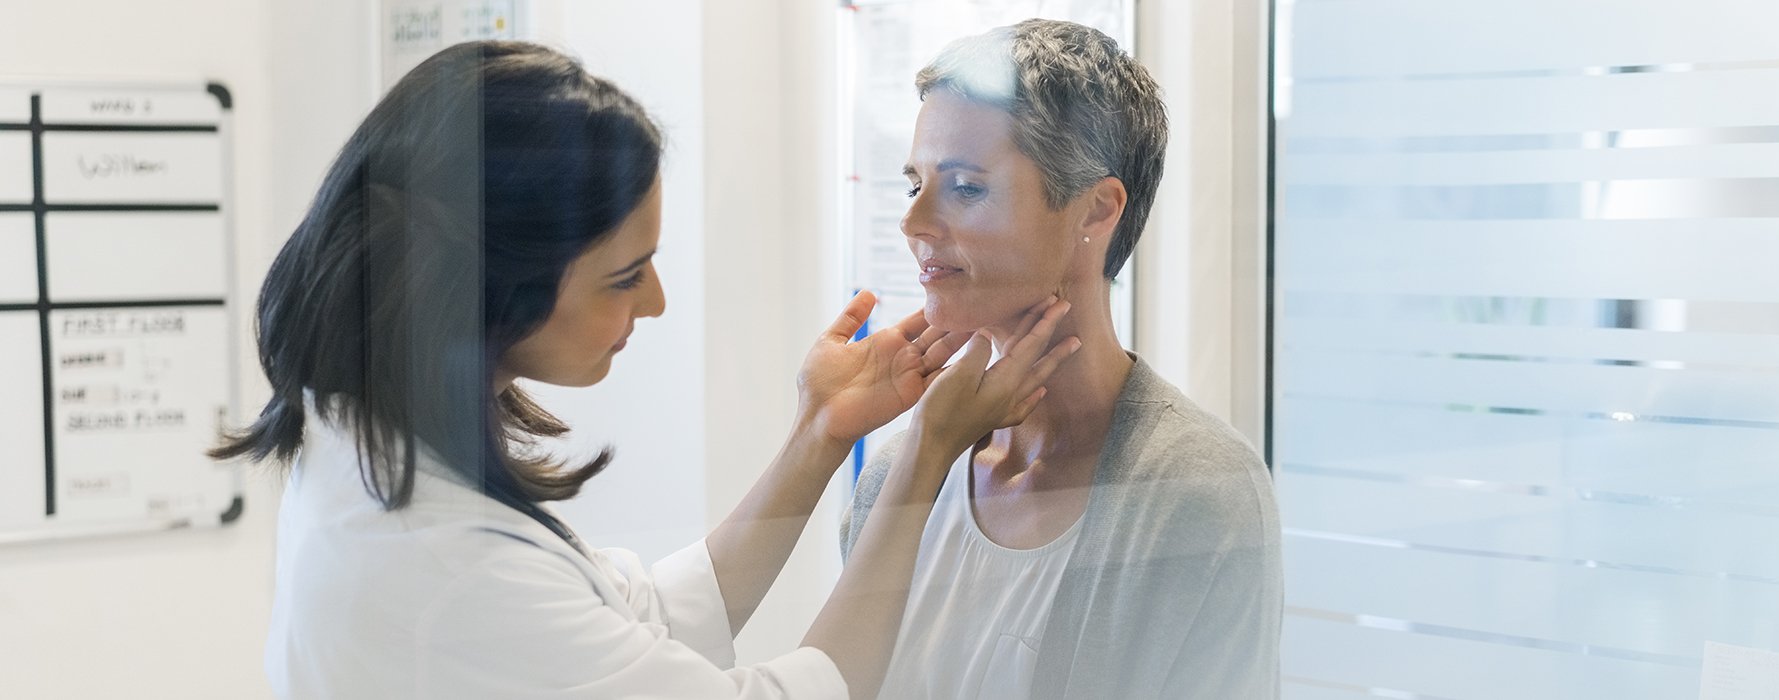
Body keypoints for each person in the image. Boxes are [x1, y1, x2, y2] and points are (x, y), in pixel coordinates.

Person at [211, 41, 1079, 700]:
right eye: (625, 276)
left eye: (964, 185)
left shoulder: (369, 438)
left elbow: (649, 623)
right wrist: (926, 452)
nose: (656, 302)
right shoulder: (440, 565)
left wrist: (819, 436)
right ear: (484, 285)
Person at [839, 19, 1282, 698]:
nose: (913, 222)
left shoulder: (1198, 494)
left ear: (1096, 212)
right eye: (914, 184)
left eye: (963, 187)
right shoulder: (898, 472)